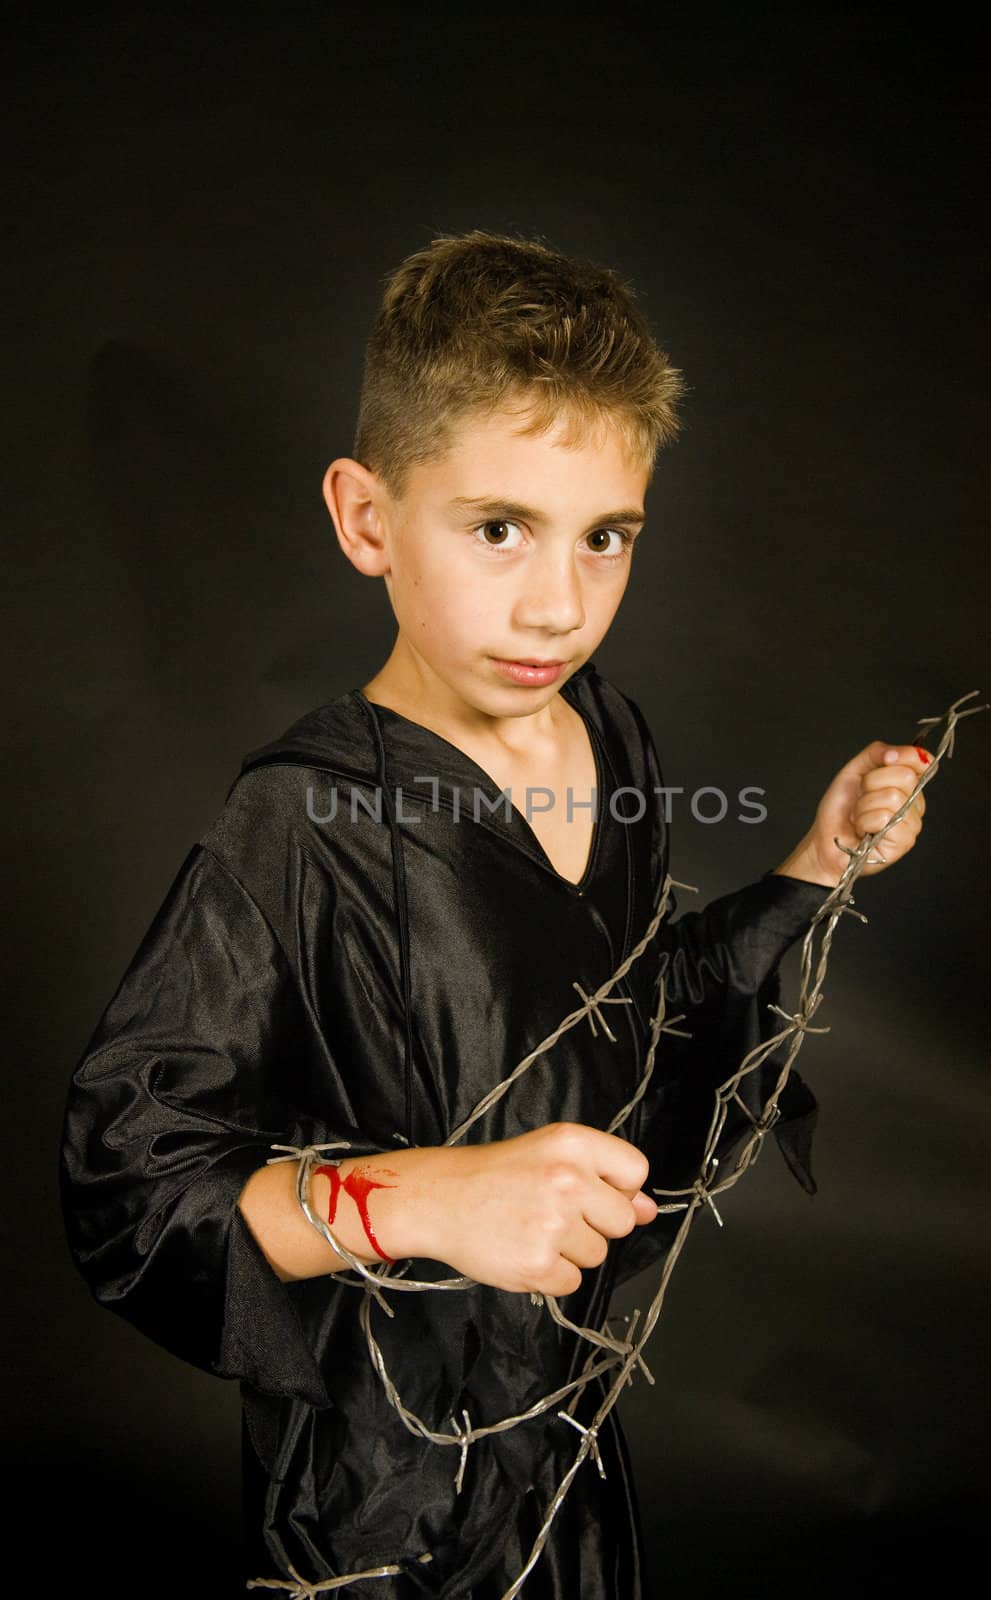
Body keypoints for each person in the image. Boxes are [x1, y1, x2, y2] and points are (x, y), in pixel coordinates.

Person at [59, 230, 928, 1599]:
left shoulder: (609, 737)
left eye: (606, 538)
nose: (558, 603)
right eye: (497, 528)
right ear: (366, 520)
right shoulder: (298, 824)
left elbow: (633, 1010)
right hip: (378, 1498)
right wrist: (430, 1197)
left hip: (562, 1442)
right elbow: (131, 1192)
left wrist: (814, 868)